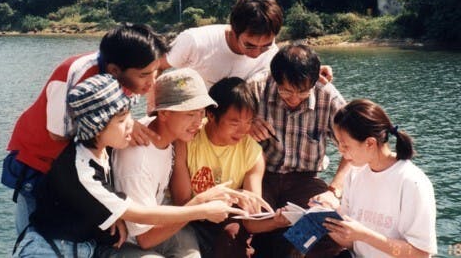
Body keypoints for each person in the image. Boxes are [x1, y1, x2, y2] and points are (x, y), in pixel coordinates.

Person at [13, 74, 248, 258]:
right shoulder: (82, 170)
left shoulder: (99, 148)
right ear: (97, 127)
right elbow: (136, 214)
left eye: (129, 117)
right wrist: (201, 206)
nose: (132, 126)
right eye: (122, 121)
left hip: (81, 245)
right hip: (49, 250)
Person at [2, 23, 167, 234]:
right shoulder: (74, 74)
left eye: (156, 72)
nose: (152, 82)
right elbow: (57, 136)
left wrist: (106, 207)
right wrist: (104, 206)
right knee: (36, 237)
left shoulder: (128, 74)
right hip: (39, 163)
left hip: (78, 169)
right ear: (114, 70)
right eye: (145, 75)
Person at [149, 0, 333, 113]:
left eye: (265, 46)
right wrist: (153, 112)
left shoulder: (270, 51)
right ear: (234, 30)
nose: (257, 53)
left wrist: (312, 70)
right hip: (190, 118)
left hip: (231, 125)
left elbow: (287, 68)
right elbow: (155, 67)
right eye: (250, 45)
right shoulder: (195, 41)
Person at [247, 43, 349, 257]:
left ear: (316, 81)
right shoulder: (256, 87)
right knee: (244, 226)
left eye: (302, 93)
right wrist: (248, 124)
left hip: (306, 180)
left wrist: (334, 191)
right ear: (274, 79)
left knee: (331, 228)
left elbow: (352, 147)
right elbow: (224, 123)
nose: (293, 99)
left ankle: (292, 251)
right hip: (261, 176)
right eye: (286, 91)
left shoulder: (328, 96)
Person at [111, 67, 217, 257]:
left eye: (201, 112)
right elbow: (145, 239)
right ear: (164, 113)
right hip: (125, 241)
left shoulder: (167, 133)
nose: (198, 122)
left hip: (155, 225)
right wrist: (200, 206)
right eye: (190, 114)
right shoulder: (138, 161)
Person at [170, 77, 272, 258]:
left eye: (249, 122)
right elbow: (182, 203)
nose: (243, 131)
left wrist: (278, 220)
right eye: (234, 123)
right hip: (189, 218)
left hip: (225, 218)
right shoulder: (187, 139)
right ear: (211, 115)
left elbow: (251, 216)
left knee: (231, 235)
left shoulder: (252, 152)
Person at [323, 99, 437, 257]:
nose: (340, 151)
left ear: (370, 143)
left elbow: (420, 253)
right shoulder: (354, 175)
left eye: (345, 145)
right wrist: (324, 219)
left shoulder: (412, 182)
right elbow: (351, 242)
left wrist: (364, 235)